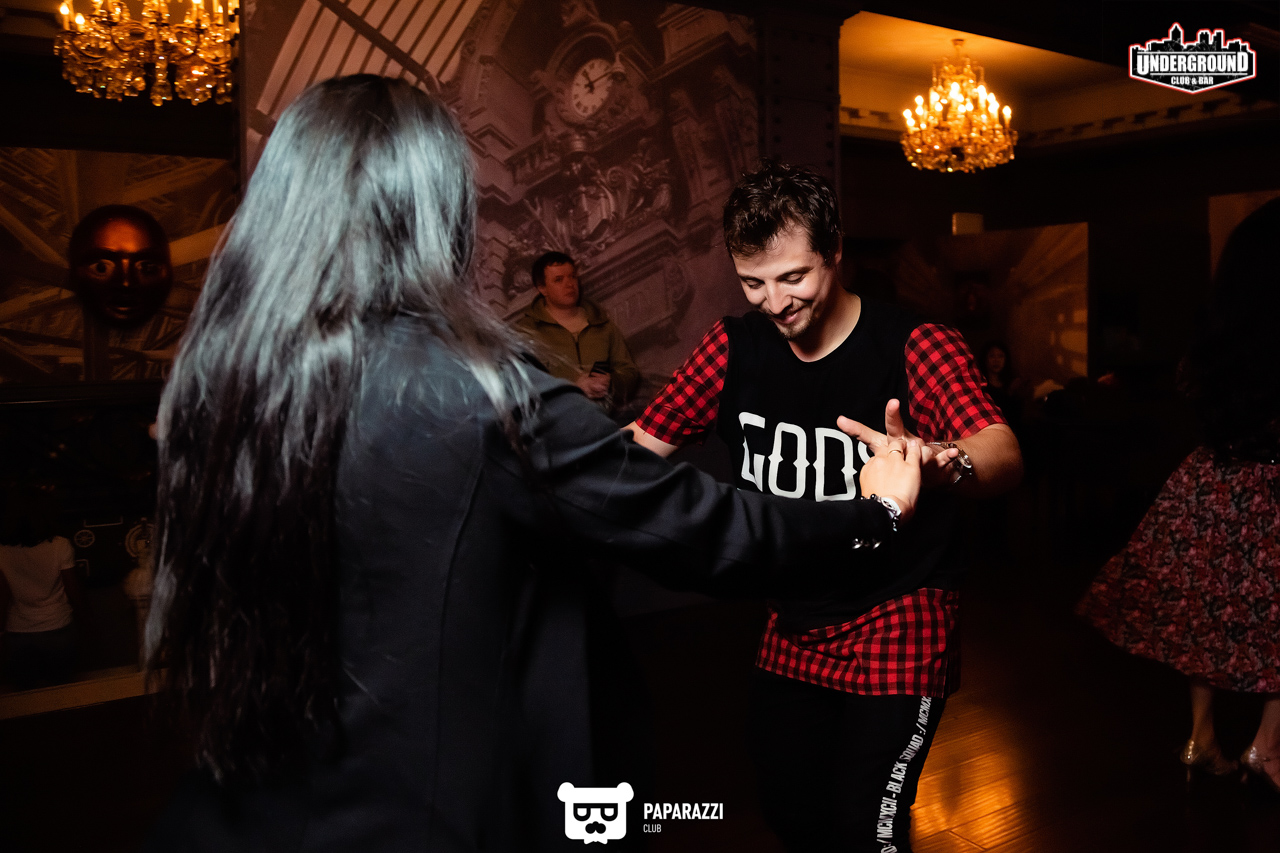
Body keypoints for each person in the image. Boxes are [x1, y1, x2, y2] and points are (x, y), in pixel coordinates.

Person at [142, 76, 925, 852]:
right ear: (437, 211)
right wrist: (874, 511)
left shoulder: (217, 384)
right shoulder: (477, 396)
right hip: (425, 812)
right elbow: (697, 521)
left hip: (247, 806)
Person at [624, 160, 1023, 852]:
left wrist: (944, 460)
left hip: (900, 610)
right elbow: (637, 448)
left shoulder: (915, 343)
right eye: (753, 282)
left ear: (835, 251)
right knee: (789, 807)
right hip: (795, 613)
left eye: (793, 277)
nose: (774, 302)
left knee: (868, 825)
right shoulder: (733, 347)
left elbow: (1002, 451)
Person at [1077, 197, 1280, 793]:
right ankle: (1268, 747)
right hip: (1270, 488)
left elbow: (1190, 389)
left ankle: (1201, 737)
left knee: (1205, 615)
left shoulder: (1218, 332)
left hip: (1211, 484)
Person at [515, 251, 640, 415]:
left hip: (604, 420)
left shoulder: (601, 323)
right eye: (559, 279)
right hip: (558, 423)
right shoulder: (526, 332)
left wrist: (611, 383)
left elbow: (629, 372)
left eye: (572, 276)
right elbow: (519, 385)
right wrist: (572, 388)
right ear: (542, 288)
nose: (569, 284)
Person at [0, 487, 80, 689]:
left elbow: (3, 596)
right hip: (57, 625)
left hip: (18, 629)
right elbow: (72, 590)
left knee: (27, 695)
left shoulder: (2, 551)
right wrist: (87, 620)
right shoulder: (60, 545)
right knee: (62, 690)